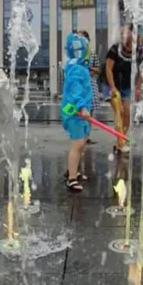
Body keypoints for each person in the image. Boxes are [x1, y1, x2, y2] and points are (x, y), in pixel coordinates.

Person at [101, 24, 143, 153]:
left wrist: (138, 89)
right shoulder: (115, 49)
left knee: (127, 114)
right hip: (110, 84)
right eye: (120, 33)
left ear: (132, 34)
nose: (121, 35)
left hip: (126, 85)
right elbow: (108, 69)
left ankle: (120, 140)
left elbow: (142, 71)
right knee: (119, 111)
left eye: (124, 32)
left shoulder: (139, 51)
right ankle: (121, 142)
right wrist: (113, 88)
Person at [61, 32, 93, 192]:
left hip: (80, 113)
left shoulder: (78, 67)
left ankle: (74, 171)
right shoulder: (76, 69)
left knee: (81, 143)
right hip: (75, 112)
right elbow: (76, 90)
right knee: (78, 144)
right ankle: (71, 178)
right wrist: (82, 107)